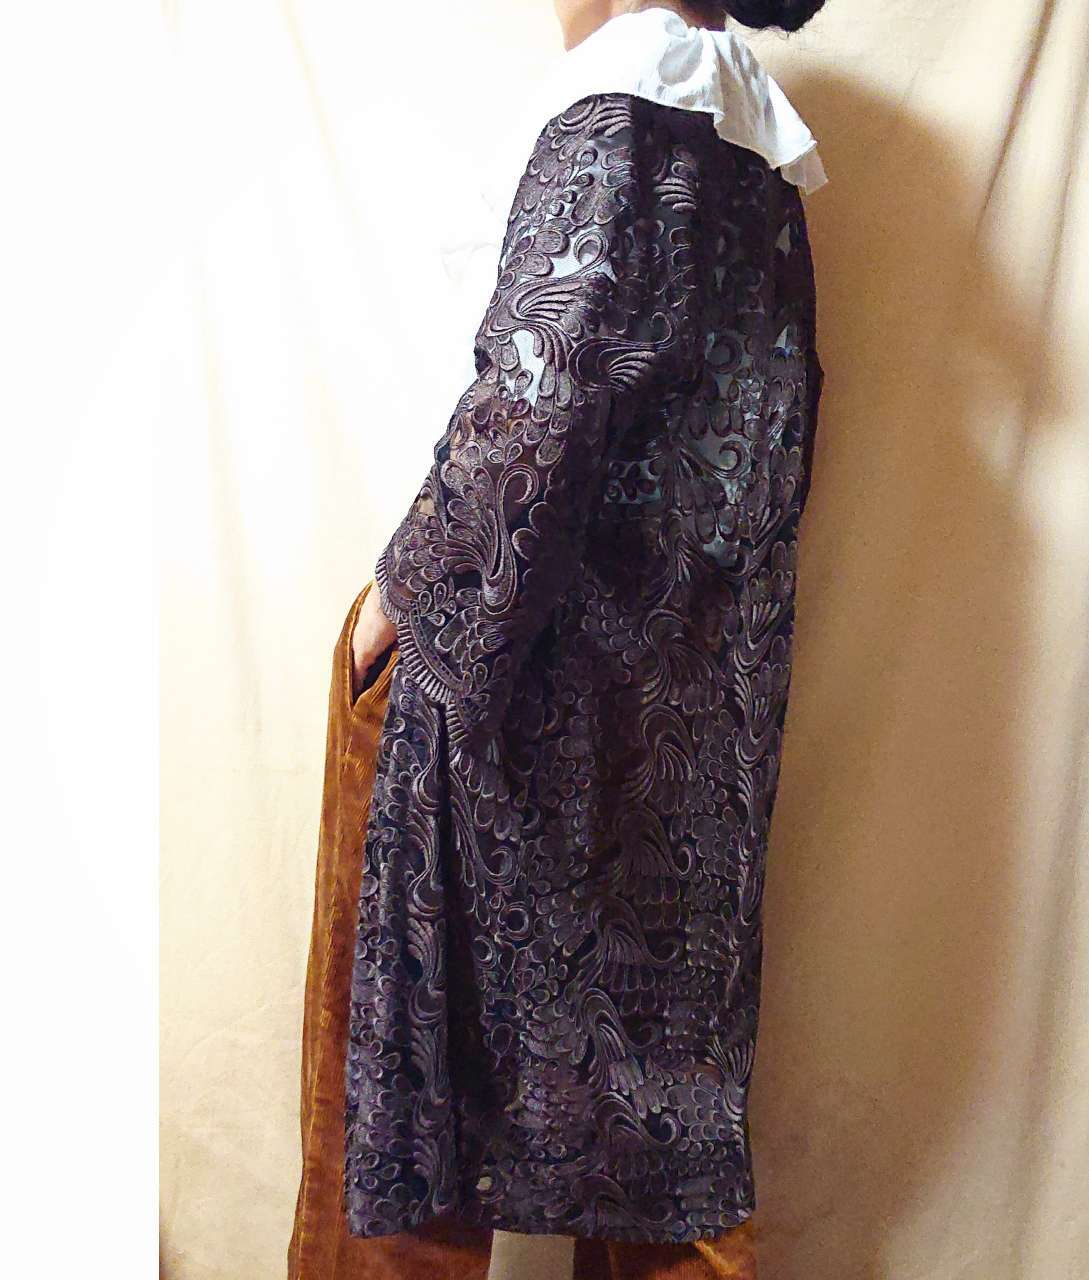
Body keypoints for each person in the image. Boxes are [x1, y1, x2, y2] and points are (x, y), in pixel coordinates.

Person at [338, 0, 829, 1260]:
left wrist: (405, 594)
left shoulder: (620, 109)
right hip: (675, 702)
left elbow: (540, 398)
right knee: (637, 1112)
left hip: (517, 673)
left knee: (435, 1099)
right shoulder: (741, 139)